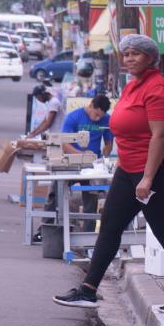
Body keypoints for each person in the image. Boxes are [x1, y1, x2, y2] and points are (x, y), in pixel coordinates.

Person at [53, 34, 164, 313]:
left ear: (150, 58)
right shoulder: (134, 86)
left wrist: (147, 178)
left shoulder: (158, 89)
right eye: (126, 54)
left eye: (136, 54)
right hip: (128, 166)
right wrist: (123, 164)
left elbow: (160, 136)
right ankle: (88, 290)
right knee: (110, 225)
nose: (129, 58)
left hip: (156, 169)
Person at [61, 95, 115, 229]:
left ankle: (87, 236)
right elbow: (64, 143)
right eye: (96, 114)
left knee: (91, 202)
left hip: (93, 167)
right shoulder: (73, 117)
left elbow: (108, 143)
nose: (98, 119)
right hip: (72, 163)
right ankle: (54, 228)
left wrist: (104, 156)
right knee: (57, 194)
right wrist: (82, 155)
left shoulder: (106, 120)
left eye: (100, 116)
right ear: (91, 106)